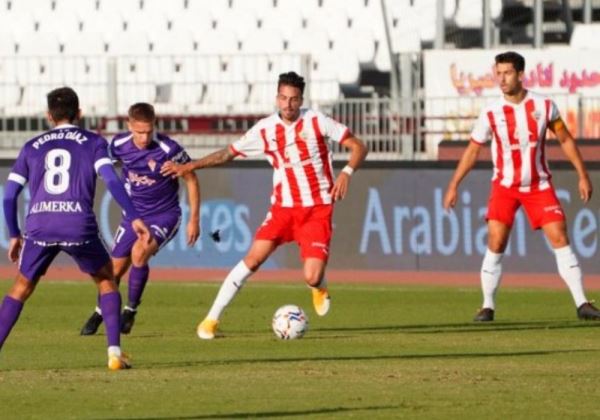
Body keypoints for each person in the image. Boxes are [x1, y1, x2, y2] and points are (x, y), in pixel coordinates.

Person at [161, 71, 368, 339]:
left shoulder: (317, 121)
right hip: (283, 209)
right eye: (283, 98)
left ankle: (318, 286)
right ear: (276, 98)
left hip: (317, 209)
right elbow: (228, 153)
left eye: (293, 99)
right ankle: (210, 321)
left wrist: (346, 172)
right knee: (252, 259)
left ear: (301, 100)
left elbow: (358, 146)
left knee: (312, 276)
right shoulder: (265, 129)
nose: (288, 104)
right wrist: (190, 165)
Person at [0, 87, 151, 370]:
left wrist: (13, 234)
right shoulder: (93, 142)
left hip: (40, 225)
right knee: (107, 280)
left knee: (21, 287)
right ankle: (114, 352)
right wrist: (133, 216)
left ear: (48, 116)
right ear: (79, 114)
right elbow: (113, 181)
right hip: (77, 224)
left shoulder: (31, 146)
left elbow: (9, 196)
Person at [443, 51, 600, 322]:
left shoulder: (544, 106)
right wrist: (454, 184)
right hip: (505, 187)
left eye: (506, 73)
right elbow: (472, 151)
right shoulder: (490, 112)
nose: (501, 79)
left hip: (538, 185)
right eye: (498, 73)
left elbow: (565, 140)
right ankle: (487, 305)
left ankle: (582, 303)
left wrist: (583, 175)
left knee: (560, 237)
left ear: (520, 74)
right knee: (496, 241)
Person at [80, 102, 200, 336]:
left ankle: (130, 311)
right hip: (133, 216)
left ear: (154, 126)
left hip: (164, 215)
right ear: (129, 126)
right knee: (112, 271)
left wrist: (194, 219)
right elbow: (103, 167)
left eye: (149, 131)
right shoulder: (119, 145)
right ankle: (99, 311)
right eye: (139, 132)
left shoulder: (169, 149)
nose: (144, 138)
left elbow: (192, 179)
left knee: (139, 252)